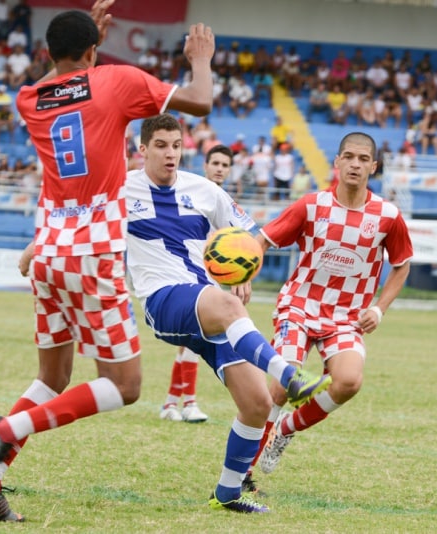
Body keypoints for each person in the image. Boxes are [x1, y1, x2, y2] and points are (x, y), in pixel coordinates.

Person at [0, 1, 217, 522]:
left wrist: (85, 48)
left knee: (52, 377)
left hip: (49, 253)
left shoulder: (28, 97)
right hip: (93, 256)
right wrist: (201, 59)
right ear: (95, 51)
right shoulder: (116, 81)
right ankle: (4, 431)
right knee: (125, 387)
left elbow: (64, 83)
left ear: (48, 52)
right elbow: (199, 101)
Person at [124, 114, 331, 513]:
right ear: (143, 149)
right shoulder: (121, 190)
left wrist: (245, 269)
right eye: (162, 146)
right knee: (226, 305)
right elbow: (79, 222)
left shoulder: (205, 191)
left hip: (210, 309)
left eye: (176, 145)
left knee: (255, 403)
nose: (170, 153)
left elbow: (246, 235)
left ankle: (228, 493)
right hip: (163, 300)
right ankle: (288, 374)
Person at [241, 131, 413, 495]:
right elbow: (262, 240)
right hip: (299, 308)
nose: (354, 164)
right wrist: (245, 276)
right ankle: (243, 473)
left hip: (346, 317)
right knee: (279, 386)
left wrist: (379, 310)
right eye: (348, 156)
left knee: (349, 382)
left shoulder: (387, 216)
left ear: (374, 166)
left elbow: (401, 266)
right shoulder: (310, 205)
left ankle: (285, 430)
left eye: (363, 159)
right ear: (336, 162)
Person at [158, 143, 233, 424]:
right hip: (188, 276)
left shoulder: (225, 201)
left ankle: (170, 403)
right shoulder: (191, 194)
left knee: (192, 341)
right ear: (205, 165)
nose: (219, 169)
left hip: (210, 278)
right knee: (195, 339)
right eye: (215, 163)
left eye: (225, 165)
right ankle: (188, 403)